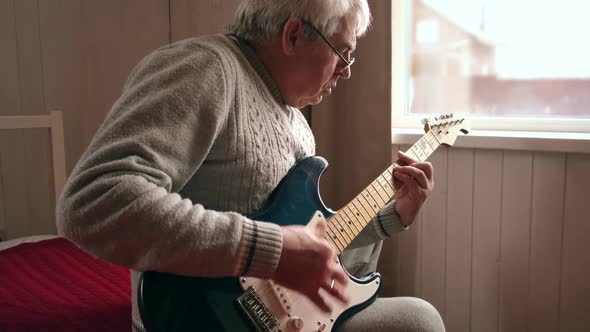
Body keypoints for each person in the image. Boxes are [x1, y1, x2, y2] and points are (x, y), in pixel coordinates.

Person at [57, 0, 445, 331]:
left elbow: (307, 241)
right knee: (418, 321)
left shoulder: (296, 123)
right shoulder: (205, 69)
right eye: (342, 53)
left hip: (281, 314)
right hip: (199, 315)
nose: (346, 71)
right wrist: (270, 251)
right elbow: (93, 199)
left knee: (416, 318)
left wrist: (391, 218)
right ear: (293, 35)